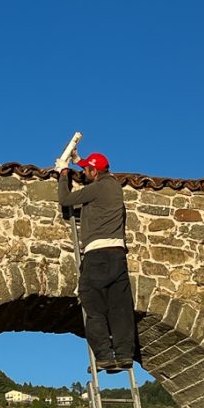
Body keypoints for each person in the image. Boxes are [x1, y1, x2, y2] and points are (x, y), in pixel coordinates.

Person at [56, 151, 136, 372]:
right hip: (118, 256)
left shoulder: (98, 188)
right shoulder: (114, 187)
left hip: (97, 255)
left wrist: (63, 174)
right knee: (120, 308)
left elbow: (66, 199)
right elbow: (93, 204)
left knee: (93, 305)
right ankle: (123, 355)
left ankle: (103, 356)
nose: (84, 173)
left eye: (86, 170)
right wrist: (76, 158)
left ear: (95, 171)